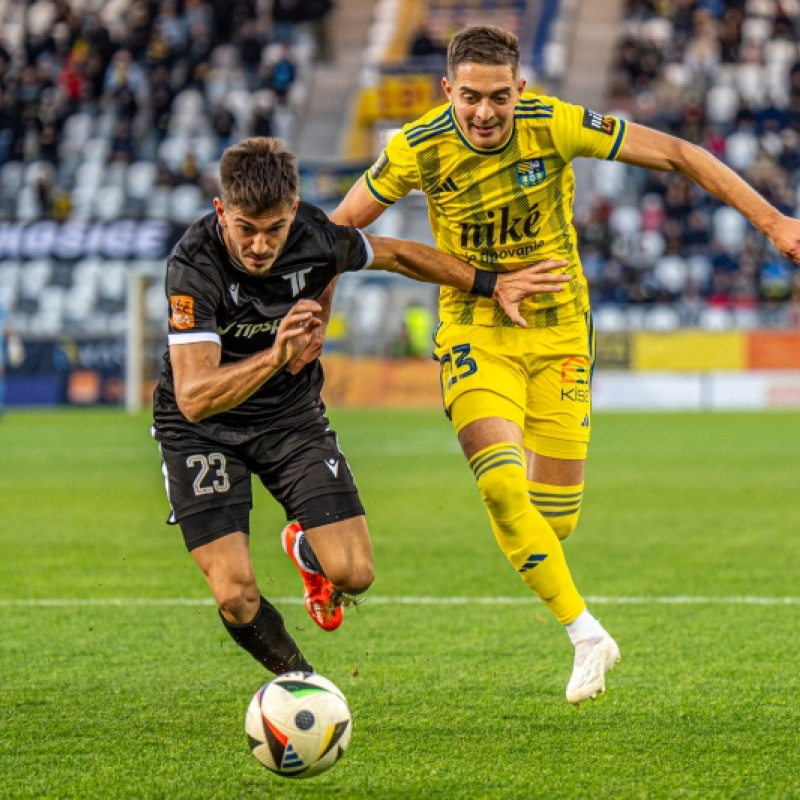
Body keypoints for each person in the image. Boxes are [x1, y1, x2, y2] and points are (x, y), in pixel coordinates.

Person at [328, 25, 800, 705]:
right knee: (499, 486)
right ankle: (585, 634)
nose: (485, 113)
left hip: (561, 337)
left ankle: (324, 559)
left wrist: (773, 222)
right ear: (447, 92)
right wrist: (313, 318)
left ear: (521, 89)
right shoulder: (417, 148)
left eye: (498, 97)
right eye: (469, 99)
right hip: (474, 329)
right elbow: (338, 231)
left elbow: (678, 153)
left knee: (550, 522)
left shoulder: (554, 125)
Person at [151, 136, 570, 677]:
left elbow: (396, 254)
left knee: (354, 574)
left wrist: (492, 284)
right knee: (236, 595)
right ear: (221, 212)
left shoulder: (316, 237)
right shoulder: (193, 266)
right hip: (202, 431)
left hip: (288, 419)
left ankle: (307, 552)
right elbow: (195, 396)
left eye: (274, 229)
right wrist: (276, 355)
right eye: (245, 229)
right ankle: (304, 686)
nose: (259, 245)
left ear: (293, 212)